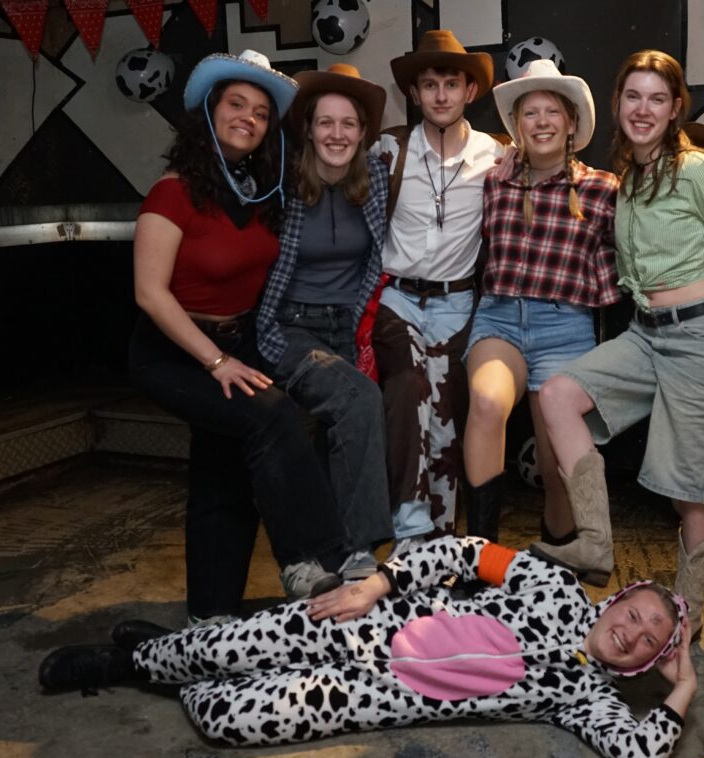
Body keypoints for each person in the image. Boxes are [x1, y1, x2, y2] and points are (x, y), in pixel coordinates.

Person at [38, 536, 697, 758]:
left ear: (649, 662)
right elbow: (467, 552)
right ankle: (128, 663)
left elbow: (640, 756)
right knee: (226, 644)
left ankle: (175, 669)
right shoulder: (553, 584)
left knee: (226, 720)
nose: (632, 633)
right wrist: (377, 584)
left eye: (650, 640)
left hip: (367, 698)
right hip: (365, 625)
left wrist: (684, 684)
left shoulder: (587, 697)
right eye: (636, 613)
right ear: (619, 598)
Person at [534, 50, 704, 636]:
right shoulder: (632, 180)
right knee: (558, 396)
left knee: (691, 496)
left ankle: (686, 619)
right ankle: (595, 542)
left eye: (657, 99)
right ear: (618, 104)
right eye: (633, 96)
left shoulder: (698, 171)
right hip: (647, 335)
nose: (643, 109)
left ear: (675, 110)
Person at [128, 50, 347, 628]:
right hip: (176, 350)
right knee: (270, 416)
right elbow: (150, 294)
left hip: (239, 339)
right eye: (236, 104)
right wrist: (216, 361)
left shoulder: (261, 193)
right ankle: (311, 561)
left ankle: (211, 613)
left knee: (222, 469)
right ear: (210, 110)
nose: (248, 117)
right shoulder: (172, 192)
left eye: (260, 111)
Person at [462, 60, 621, 562]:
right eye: (530, 113)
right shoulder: (494, 181)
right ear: (517, 125)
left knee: (555, 466)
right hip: (501, 319)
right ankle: (482, 556)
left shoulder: (602, 189)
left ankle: (557, 555)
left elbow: (644, 249)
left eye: (552, 111)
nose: (542, 121)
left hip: (565, 326)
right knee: (487, 402)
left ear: (571, 122)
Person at [254, 64, 392, 581]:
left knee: (337, 427)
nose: (337, 134)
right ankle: (359, 552)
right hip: (289, 328)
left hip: (346, 327)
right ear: (308, 129)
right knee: (359, 400)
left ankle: (328, 553)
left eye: (348, 123)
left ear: (363, 132)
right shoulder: (282, 181)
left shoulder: (376, 178)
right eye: (326, 122)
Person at [370, 30, 505, 554]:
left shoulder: (495, 155)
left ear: (470, 91)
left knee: (447, 418)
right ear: (414, 93)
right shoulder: (389, 150)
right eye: (430, 85)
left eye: (451, 84)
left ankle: (442, 539)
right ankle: (408, 532)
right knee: (407, 392)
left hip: (458, 304)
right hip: (398, 299)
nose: (441, 95)